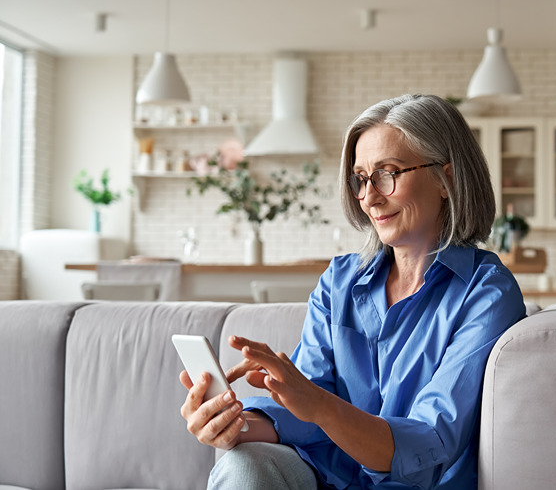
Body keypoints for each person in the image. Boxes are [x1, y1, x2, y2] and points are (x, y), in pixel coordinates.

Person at [180, 94, 526, 489]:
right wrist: (232, 424)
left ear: (445, 179)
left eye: (387, 173)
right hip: (328, 480)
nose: (369, 197)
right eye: (361, 178)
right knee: (242, 463)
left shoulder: (485, 293)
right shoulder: (339, 281)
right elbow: (305, 411)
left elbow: (430, 444)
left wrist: (318, 406)